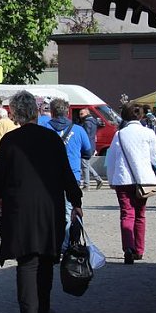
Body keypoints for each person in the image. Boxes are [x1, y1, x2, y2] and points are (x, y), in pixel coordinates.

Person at [0, 91, 83, 313]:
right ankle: (42, 311)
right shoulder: (51, 138)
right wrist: (76, 201)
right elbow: (66, 174)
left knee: (27, 261)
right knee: (45, 259)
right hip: (48, 208)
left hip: (20, 209)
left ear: (15, 114)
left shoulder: (10, 140)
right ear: (34, 111)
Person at [105, 103, 156, 265]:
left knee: (126, 213)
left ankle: (128, 248)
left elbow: (111, 160)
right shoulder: (148, 133)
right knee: (140, 214)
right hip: (143, 179)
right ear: (141, 116)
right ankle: (139, 249)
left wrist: (111, 180)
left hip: (122, 179)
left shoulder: (119, 135)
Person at [41, 98, 91, 244]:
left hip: (48, 176)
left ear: (52, 112)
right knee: (68, 211)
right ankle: (65, 243)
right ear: (67, 111)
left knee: (49, 209)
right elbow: (87, 152)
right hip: (72, 175)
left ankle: (50, 241)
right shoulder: (78, 130)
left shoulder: (44, 128)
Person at [78, 108, 104, 190]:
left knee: (84, 165)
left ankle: (86, 185)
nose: (80, 115)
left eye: (82, 114)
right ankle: (98, 179)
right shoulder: (94, 121)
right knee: (86, 164)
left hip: (86, 146)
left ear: (86, 113)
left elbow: (85, 135)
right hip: (92, 145)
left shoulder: (86, 123)